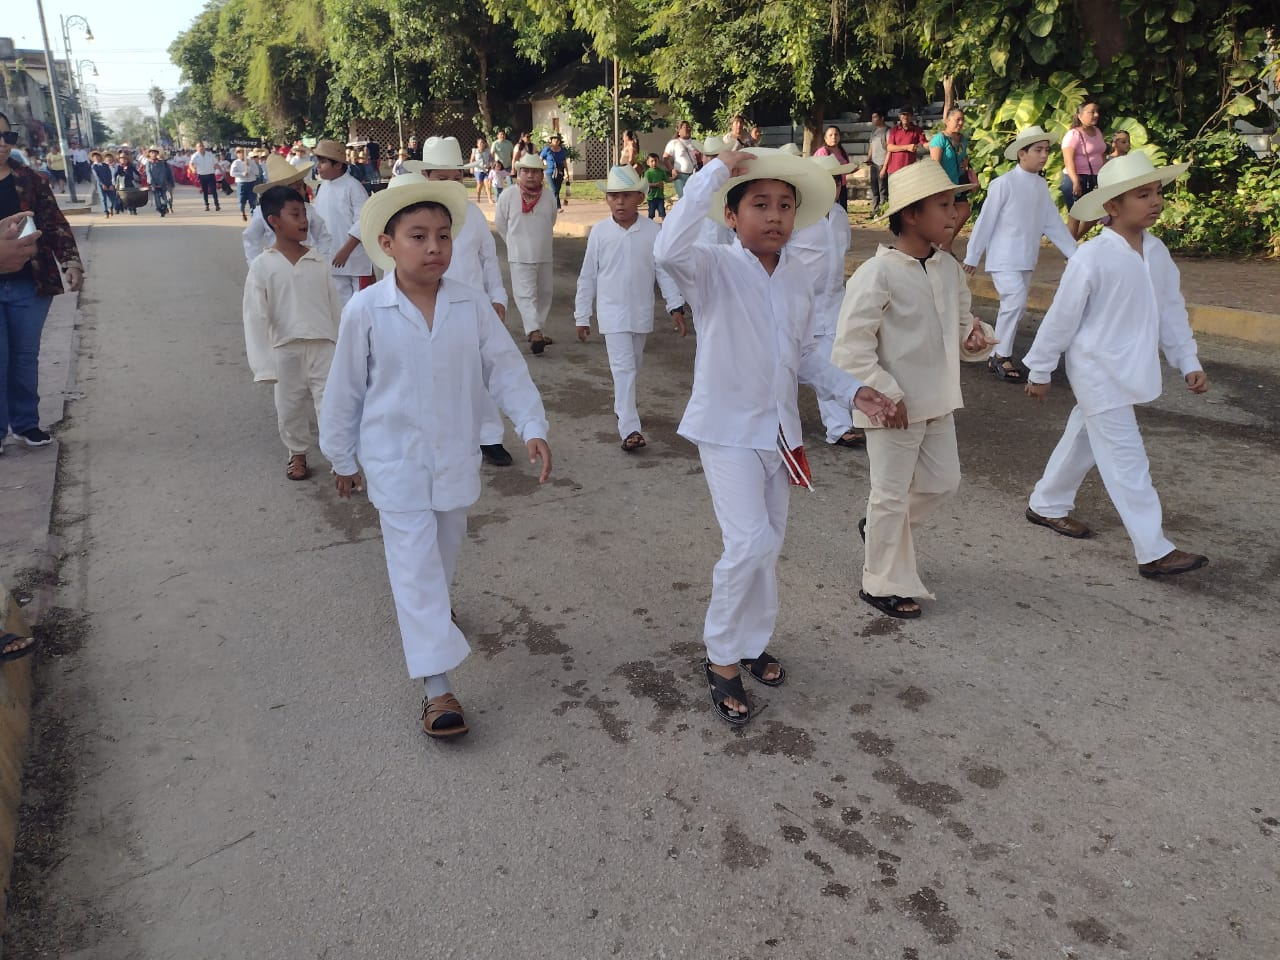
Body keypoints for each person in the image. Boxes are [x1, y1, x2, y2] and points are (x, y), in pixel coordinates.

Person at [654, 147, 896, 725]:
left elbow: (806, 354)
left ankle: (751, 641)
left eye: (785, 205)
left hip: (780, 433)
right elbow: (666, 249)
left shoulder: (798, 278)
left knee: (770, 544)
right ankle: (720, 657)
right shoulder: (712, 267)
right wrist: (715, 172)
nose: (775, 215)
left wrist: (852, 390)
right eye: (759, 204)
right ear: (731, 217)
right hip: (727, 430)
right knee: (748, 543)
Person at [319, 176, 551, 739]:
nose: (434, 248)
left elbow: (505, 368)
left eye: (443, 236)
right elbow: (344, 390)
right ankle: (437, 688)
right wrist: (342, 457)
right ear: (387, 242)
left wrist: (532, 425)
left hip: (452, 461)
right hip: (393, 463)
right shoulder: (367, 311)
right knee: (416, 571)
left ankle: (434, 619)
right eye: (418, 236)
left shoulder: (470, 306)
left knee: (441, 563)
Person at [1022, 152, 1210, 580]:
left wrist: (1188, 361)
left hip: (1129, 369)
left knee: (1084, 437)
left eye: (1157, 192)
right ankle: (1153, 549)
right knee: (1128, 459)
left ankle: (1046, 503)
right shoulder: (1092, 257)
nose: (1155, 201)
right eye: (1142, 195)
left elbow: (1171, 312)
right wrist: (1040, 369)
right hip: (1096, 370)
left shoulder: (1157, 253)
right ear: (1112, 206)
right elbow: (1061, 318)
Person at [832, 159, 995, 620]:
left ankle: (879, 531)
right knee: (889, 492)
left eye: (954, 204)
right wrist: (885, 393)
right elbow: (850, 349)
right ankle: (880, 581)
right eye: (942, 205)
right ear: (910, 214)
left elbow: (961, 329)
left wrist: (974, 340)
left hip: (938, 399)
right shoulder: (877, 273)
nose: (953, 214)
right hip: (892, 407)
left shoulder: (947, 269)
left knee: (943, 482)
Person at [416, 136, 515, 467]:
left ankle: (489, 437)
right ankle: (437, 439)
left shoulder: (472, 216)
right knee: (432, 375)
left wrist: (497, 296)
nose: (449, 184)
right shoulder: (410, 219)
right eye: (441, 178)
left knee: (481, 373)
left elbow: (488, 259)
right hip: (424, 311)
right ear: (426, 177)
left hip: (470, 309)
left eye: (455, 177)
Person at [574, 165, 686, 452]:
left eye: (626, 196)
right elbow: (588, 275)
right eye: (614, 196)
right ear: (607, 199)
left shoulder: (652, 231)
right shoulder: (599, 233)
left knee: (632, 367)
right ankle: (630, 429)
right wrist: (582, 314)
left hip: (640, 313)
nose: (619, 202)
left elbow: (663, 272)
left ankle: (622, 407)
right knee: (623, 369)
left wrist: (676, 307)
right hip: (611, 315)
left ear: (640, 198)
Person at [241, 185, 343, 482]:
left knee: (331, 405)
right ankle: (296, 454)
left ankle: (340, 459)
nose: (304, 221)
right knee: (289, 408)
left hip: (324, 344)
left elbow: (334, 307)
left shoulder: (318, 262)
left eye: (305, 214)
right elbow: (255, 316)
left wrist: (342, 346)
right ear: (274, 221)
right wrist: (264, 364)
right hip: (284, 349)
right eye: (295, 214)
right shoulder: (263, 265)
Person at [962, 126, 1076, 382]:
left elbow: (1052, 222)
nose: (1044, 155)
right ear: (1021, 154)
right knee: (1014, 301)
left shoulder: (1039, 185)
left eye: (1046, 150)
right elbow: (986, 221)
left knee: (1016, 306)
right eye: (1038, 150)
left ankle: (998, 354)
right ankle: (1001, 354)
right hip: (1003, 258)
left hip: (1026, 258)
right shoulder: (1003, 184)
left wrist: (1074, 253)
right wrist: (973, 255)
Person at [0, 112, 84, 455]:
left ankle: (25, 424)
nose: (3, 143)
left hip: (28, 284)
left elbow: (53, 223)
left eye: (8, 136)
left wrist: (70, 261)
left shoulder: (30, 180)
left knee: (23, 356)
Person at [789, 153, 865, 449]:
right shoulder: (797, 215)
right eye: (827, 180)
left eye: (837, 180)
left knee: (831, 360)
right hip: (797, 301)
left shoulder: (839, 215)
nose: (834, 186)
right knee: (786, 361)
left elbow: (840, 254)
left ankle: (839, 426)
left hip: (833, 302)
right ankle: (773, 417)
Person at [495, 154, 557, 354]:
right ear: (519, 173)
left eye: (535, 172)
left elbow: (551, 221)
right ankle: (533, 331)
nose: (530, 176)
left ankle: (537, 329)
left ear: (541, 175)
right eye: (525, 171)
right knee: (525, 294)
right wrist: (513, 243)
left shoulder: (548, 196)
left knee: (545, 293)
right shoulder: (508, 195)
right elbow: (501, 224)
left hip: (544, 252)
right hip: (520, 254)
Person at [310, 139, 373, 307]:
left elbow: (363, 221)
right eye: (319, 162)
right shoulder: (323, 187)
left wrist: (346, 250)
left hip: (355, 261)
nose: (318, 166)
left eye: (323, 162)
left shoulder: (353, 187)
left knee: (361, 306)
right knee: (341, 308)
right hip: (332, 259)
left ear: (338, 165)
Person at [242, 155, 332, 265]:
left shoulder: (308, 210)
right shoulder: (262, 212)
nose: (302, 192)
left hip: (303, 263)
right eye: (296, 188)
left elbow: (322, 236)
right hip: (275, 265)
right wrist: (255, 265)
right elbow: (251, 238)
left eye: (301, 187)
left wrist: (321, 260)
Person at [928, 107, 972, 253]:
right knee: (945, 215)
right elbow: (935, 163)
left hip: (957, 183)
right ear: (947, 121)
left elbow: (964, 158)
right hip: (943, 184)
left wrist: (965, 165)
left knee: (964, 211)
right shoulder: (939, 139)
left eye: (962, 120)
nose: (960, 123)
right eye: (957, 119)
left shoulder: (962, 140)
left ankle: (946, 244)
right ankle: (938, 245)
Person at [1061, 98, 1107, 240]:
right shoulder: (1073, 134)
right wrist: (1075, 182)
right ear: (1080, 116)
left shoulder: (1097, 132)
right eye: (1091, 112)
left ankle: (1071, 243)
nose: (1096, 115)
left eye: (1097, 112)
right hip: (1076, 178)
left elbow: (1101, 155)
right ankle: (1069, 250)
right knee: (1075, 215)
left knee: (1096, 213)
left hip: (1094, 178)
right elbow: (1068, 160)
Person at [882, 108, 926, 199]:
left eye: (907, 114)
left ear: (911, 117)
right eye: (903, 114)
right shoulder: (894, 130)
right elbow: (889, 147)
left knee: (908, 196)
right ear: (899, 116)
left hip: (909, 169)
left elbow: (924, 144)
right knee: (894, 197)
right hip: (894, 169)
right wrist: (907, 147)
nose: (905, 117)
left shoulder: (917, 130)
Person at [812, 124, 854, 209]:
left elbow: (845, 168)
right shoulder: (822, 152)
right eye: (830, 135)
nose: (834, 137)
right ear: (825, 138)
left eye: (836, 134)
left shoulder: (842, 152)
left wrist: (853, 169)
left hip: (841, 187)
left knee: (841, 210)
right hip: (827, 187)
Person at [662, 121, 701, 199]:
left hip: (694, 175)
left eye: (688, 127)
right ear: (678, 130)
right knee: (683, 199)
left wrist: (699, 158)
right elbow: (665, 158)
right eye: (685, 127)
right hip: (681, 176)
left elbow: (701, 159)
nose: (687, 129)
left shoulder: (695, 142)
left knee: (694, 198)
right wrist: (672, 170)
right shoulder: (674, 143)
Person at [230, 147, 262, 221]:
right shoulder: (236, 162)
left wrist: (249, 166)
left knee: (253, 201)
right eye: (239, 152)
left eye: (242, 152)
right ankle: (242, 211)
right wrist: (242, 174)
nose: (241, 154)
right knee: (242, 201)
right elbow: (232, 173)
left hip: (251, 182)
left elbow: (257, 172)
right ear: (237, 154)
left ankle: (253, 217)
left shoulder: (251, 161)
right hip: (242, 183)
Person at [867, 111, 889, 217]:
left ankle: (883, 210)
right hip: (874, 164)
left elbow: (889, 149)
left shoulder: (887, 131)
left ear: (882, 118)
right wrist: (869, 158)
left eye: (875, 117)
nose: (873, 120)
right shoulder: (874, 131)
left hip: (882, 163)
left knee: (882, 189)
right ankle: (875, 210)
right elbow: (871, 145)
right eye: (872, 117)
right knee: (874, 188)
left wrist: (885, 166)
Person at [188, 141, 221, 212]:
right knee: (205, 191)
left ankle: (217, 205)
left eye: (202, 146)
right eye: (199, 146)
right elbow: (190, 164)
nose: (201, 147)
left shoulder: (209, 154)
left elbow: (215, 163)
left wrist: (221, 170)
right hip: (202, 175)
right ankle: (206, 205)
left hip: (211, 174)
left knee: (213, 190)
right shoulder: (195, 156)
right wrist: (193, 169)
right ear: (196, 148)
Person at [539, 134, 569, 210]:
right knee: (554, 190)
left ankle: (549, 204)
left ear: (559, 141)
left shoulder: (562, 150)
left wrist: (567, 172)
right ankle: (558, 207)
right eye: (554, 139)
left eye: (557, 139)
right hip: (550, 172)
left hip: (560, 172)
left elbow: (564, 161)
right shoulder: (547, 149)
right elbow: (540, 159)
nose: (556, 140)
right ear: (551, 140)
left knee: (557, 190)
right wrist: (540, 169)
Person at [145, 147, 175, 217]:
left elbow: (163, 173)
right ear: (149, 154)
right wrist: (152, 182)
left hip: (162, 183)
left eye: (155, 153)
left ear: (157, 154)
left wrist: (161, 182)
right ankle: (159, 209)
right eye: (152, 153)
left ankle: (165, 207)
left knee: (165, 198)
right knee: (157, 199)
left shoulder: (161, 163)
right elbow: (148, 173)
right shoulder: (148, 163)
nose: (153, 154)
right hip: (153, 184)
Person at [643, 153, 671, 220]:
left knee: (662, 213)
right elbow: (646, 184)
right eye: (652, 161)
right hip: (651, 197)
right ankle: (650, 226)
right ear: (648, 163)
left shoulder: (661, 171)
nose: (654, 163)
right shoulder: (648, 173)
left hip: (660, 196)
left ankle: (665, 227)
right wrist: (656, 185)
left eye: (656, 161)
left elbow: (667, 179)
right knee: (651, 214)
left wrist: (674, 177)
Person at [90, 150, 116, 217]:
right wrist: (102, 184)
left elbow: (109, 174)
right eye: (94, 157)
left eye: (97, 156)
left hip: (108, 183)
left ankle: (111, 207)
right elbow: (96, 176)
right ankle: (106, 212)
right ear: (93, 159)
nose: (96, 158)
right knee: (103, 198)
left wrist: (110, 184)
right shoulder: (94, 166)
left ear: (100, 157)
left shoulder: (105, 165)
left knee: (113, 199)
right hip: (100, 184)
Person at [470, 137, 493, 203]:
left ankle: (490, 199)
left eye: (483, 142)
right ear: (477, 144)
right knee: (480, 184)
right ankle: (478, 197)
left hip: (486, 170)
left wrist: (492, 163)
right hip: (478, 170)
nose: (482, 144)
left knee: (487, 184)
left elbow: (491, 159)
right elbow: (472, 160)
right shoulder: (475, 151)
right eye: (480, 143)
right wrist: (471, 168)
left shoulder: (487, 151)